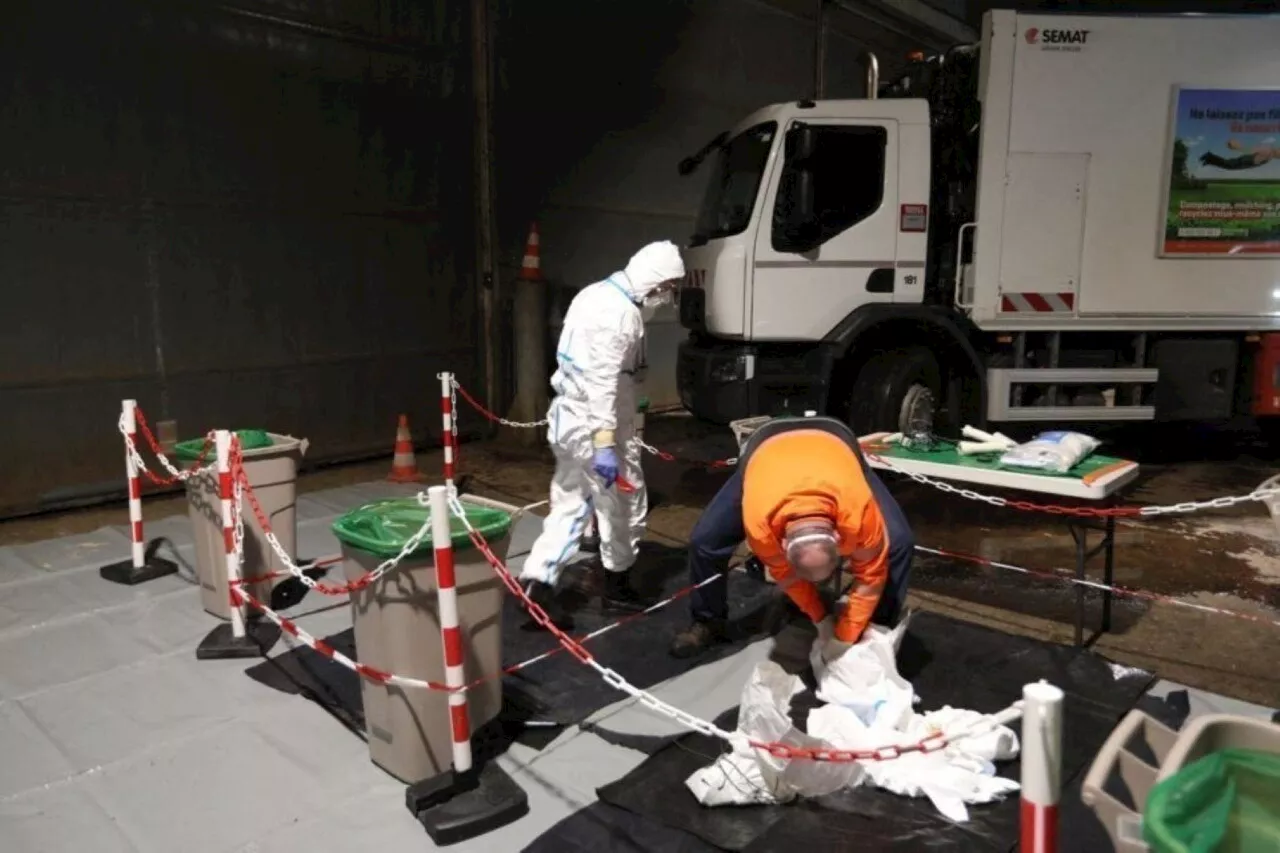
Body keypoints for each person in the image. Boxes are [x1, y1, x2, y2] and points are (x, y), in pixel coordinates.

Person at [521, 241, 686, 630]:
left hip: (566, 420)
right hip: (598, 428)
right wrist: (605, 445)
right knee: (621, 505)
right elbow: (602, 386)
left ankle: (537, 580)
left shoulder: (593, 294)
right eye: (668, 289)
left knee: (571, 502)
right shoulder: (622, 317)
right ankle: (618, 583)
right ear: (655, 283)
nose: (667, 298)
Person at [669, 416, 915, 659]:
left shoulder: (858, 513)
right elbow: (785, 575)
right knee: (705, 542)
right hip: (767, 447)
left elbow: (871, 577)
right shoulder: (760, 525)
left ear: (838, 536)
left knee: (899, 543)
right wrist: (821, 618)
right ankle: (708, 621)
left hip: (836, 444)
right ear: (783, 545)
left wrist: (846, 636)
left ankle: (874, 630)